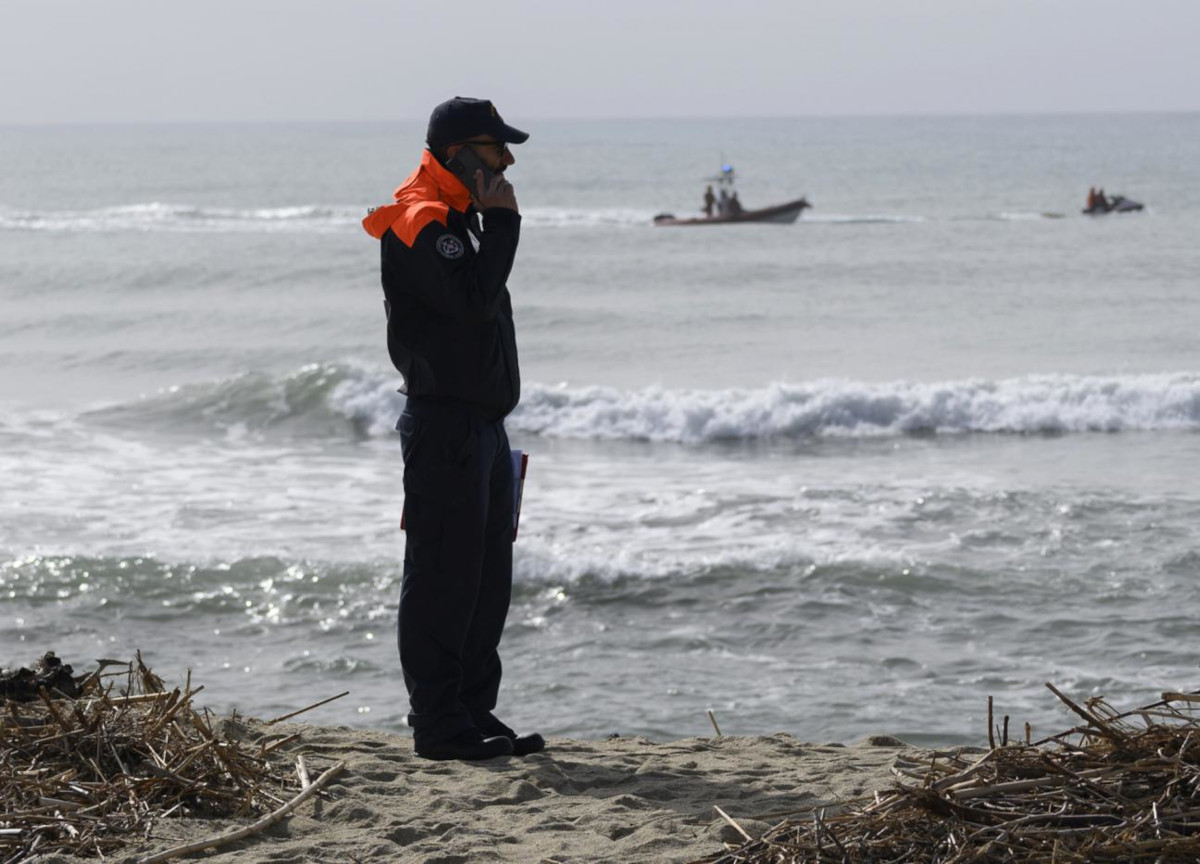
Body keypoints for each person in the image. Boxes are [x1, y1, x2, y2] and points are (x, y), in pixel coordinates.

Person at [362, 97, 544, 761]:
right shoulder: (421, 218)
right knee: (443, 576)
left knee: (485, 579)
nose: (508, 161)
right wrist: (505, 225)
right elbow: (471, 302)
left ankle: (472, 711)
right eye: (497, 149)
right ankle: (438, 726)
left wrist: (491, 223)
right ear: (461, 152)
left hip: (485, 429)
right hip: (444, 427)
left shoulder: (460, 219)